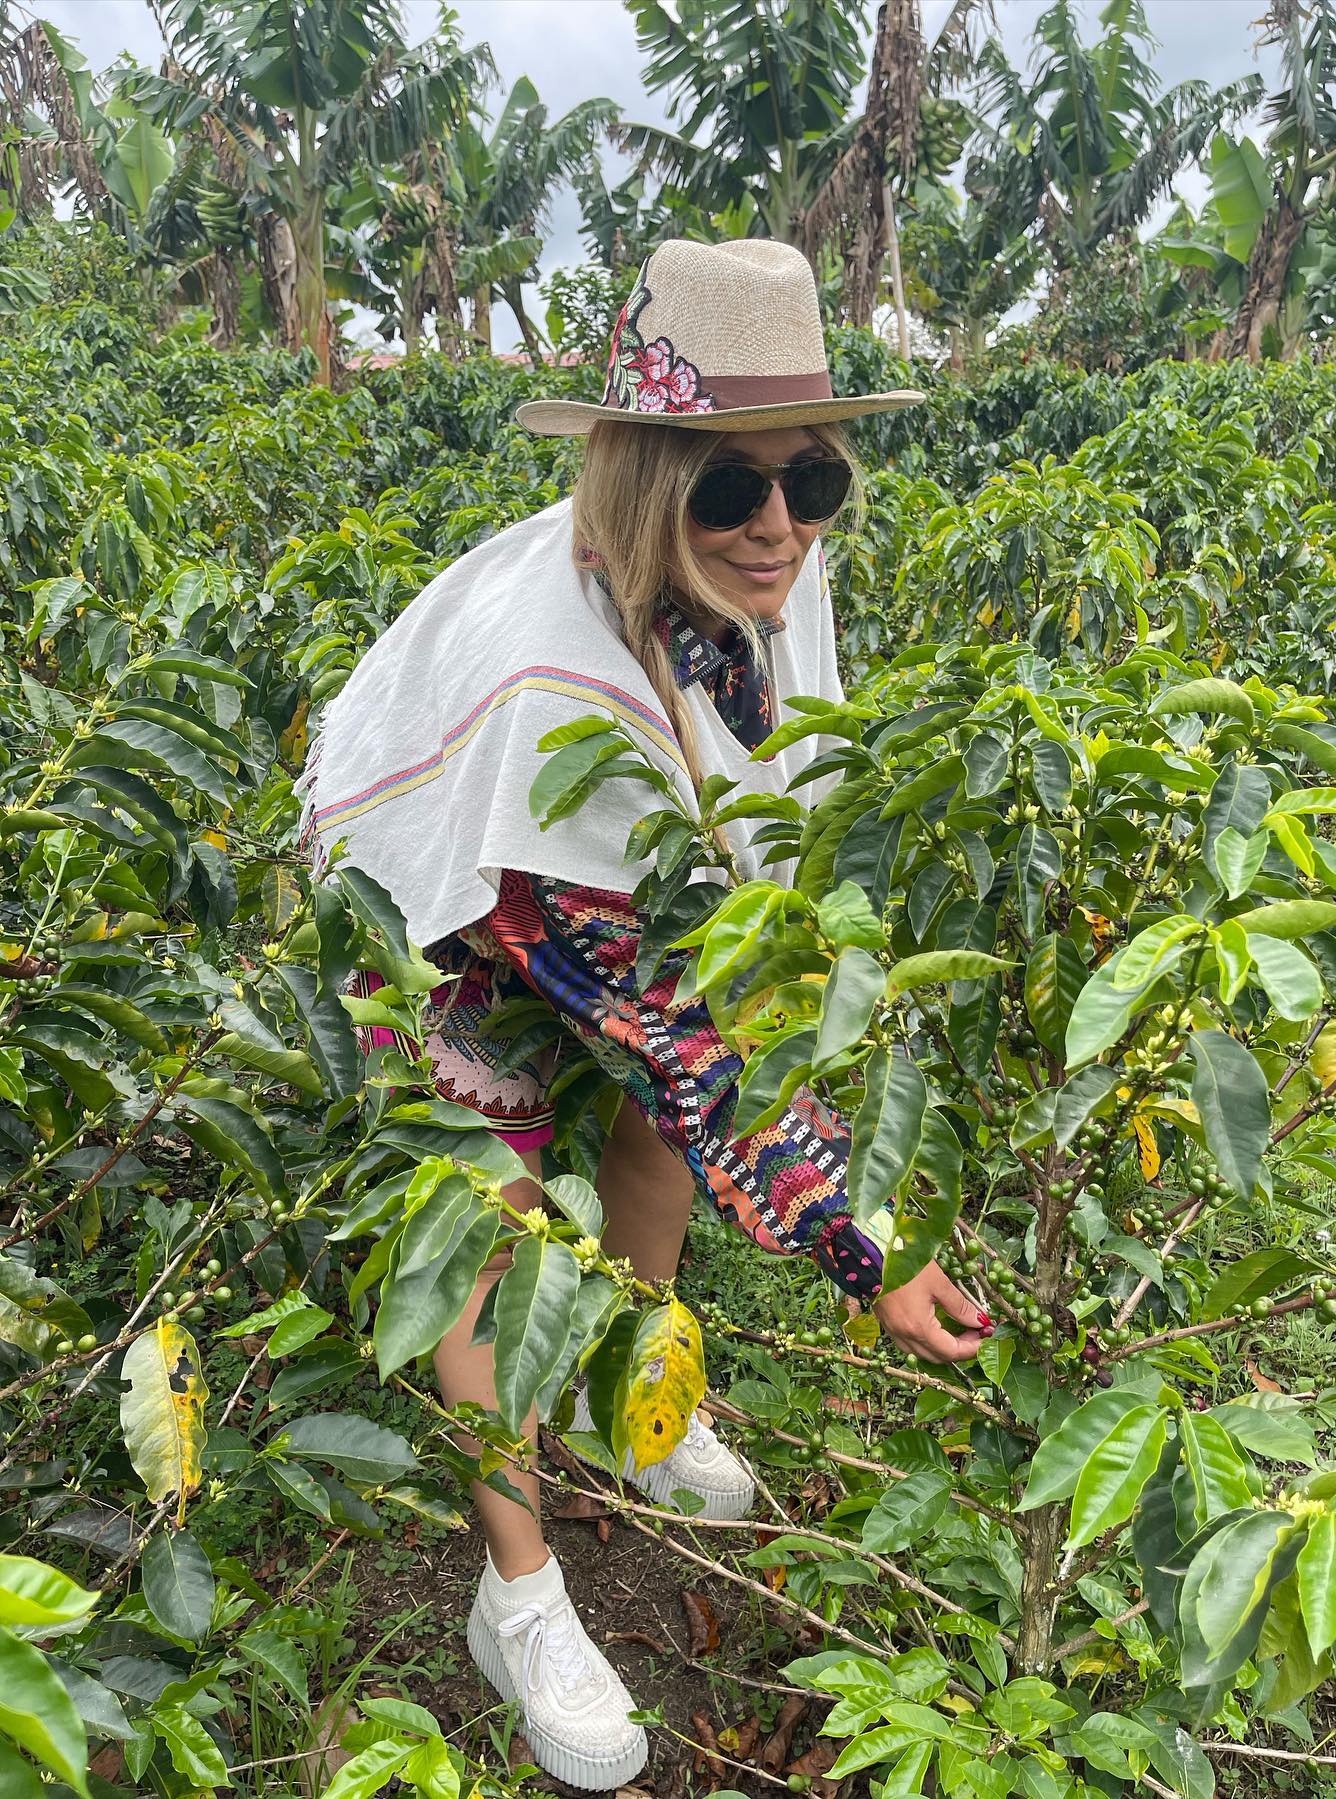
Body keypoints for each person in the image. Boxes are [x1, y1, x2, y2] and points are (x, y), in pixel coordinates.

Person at [302, 238, 993, 1791]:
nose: (777, 531)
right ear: (640, 482)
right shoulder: (560, 688)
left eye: (808, 485)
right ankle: (519, 1593)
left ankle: (630, 1386)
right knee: (480, 1207)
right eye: (728, 491)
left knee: (651, 1137)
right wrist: (862, 1237)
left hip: (609, 883)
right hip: (434, 887)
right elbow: (683, 1042)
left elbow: (761, 835)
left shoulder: (771, 568)